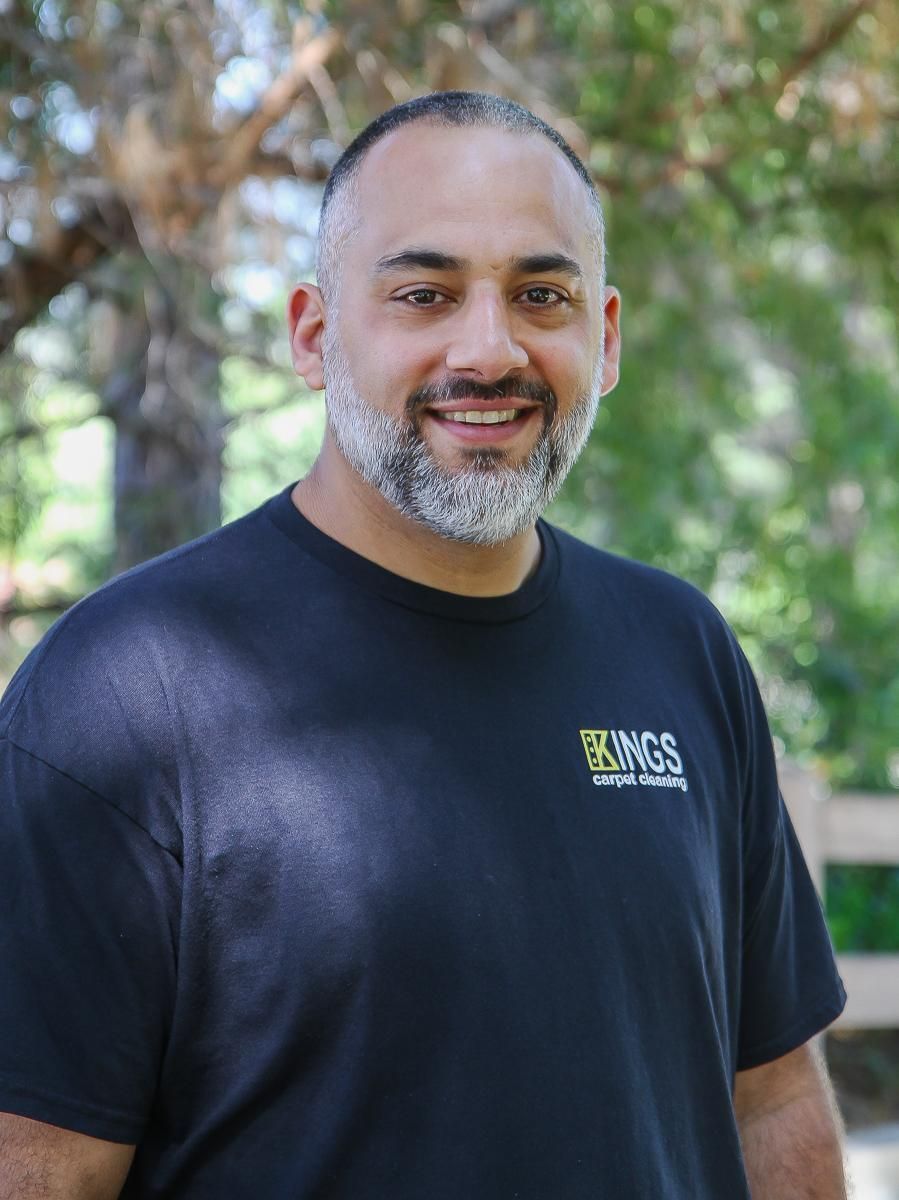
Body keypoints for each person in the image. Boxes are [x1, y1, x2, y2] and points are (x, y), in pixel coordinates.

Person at [0, 91, 848, 1199]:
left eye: (540, 295)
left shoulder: (681, 650)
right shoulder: (120, 695)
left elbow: (772, 1093)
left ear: (602, 339)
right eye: (422, 293)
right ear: (312, 334)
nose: (487, 349)